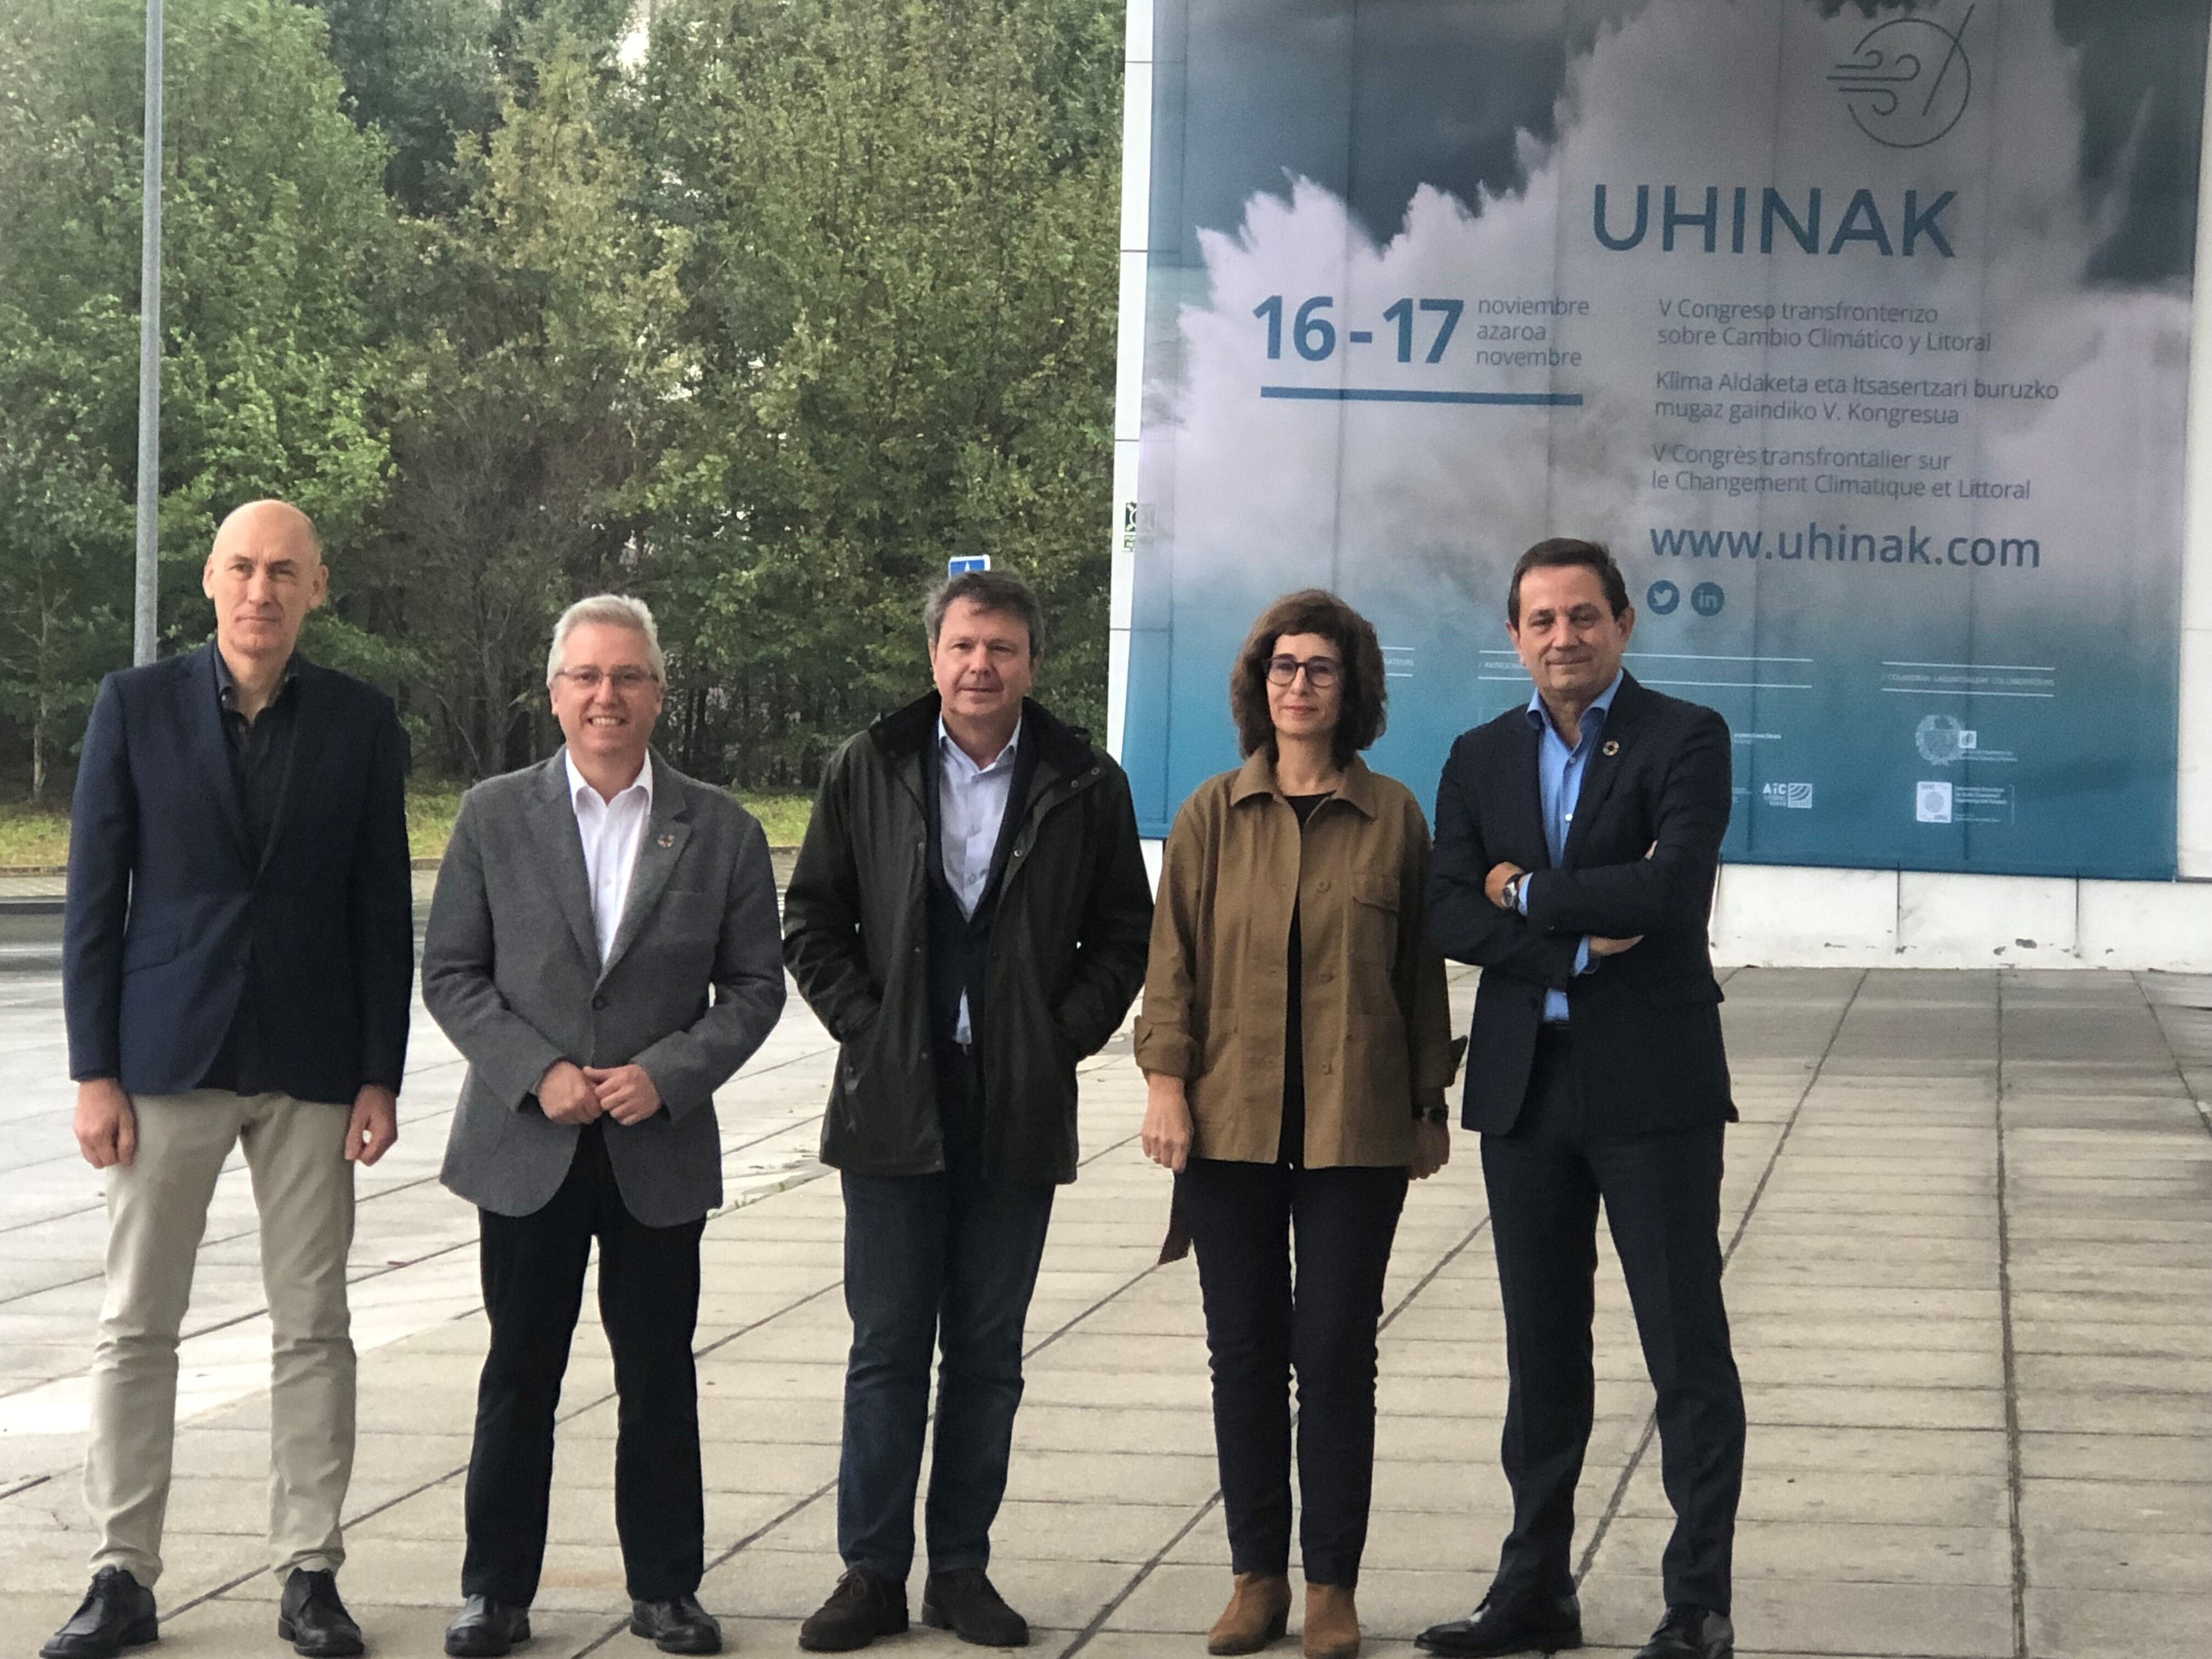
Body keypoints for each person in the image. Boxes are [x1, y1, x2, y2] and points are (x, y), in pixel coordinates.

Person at [49, 501, 413, 1659]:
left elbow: (379, 908)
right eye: (244, 569)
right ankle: (121, 1573)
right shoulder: (133, 707)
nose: (262, 591)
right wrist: (93, 1070)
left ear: (317, 589)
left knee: (315, 1325)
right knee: (135, 1324)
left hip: (312, 1065)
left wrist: (379, 1073)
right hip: (166, 1059)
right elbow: (92, 901)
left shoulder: (361, 722)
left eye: (286, 573)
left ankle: (310, 1570)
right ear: (210, 581)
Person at [782, 567, 1153, 1652]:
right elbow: (812, 920)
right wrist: (871, 1026)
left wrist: (1055, 1035)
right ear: (933, 658)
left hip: (1015, 1109)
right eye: (962, 647)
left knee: (987, 1354)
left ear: (1033, 662)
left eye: (1001, 648)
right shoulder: (873, 765)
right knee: (887, 1349)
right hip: (893, 1106)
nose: (980, 665)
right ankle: (870, 1572)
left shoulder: (1086, 781)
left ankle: (961, 1569)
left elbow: (1124, 935)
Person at [422, 595, 786, 1659]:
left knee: (659, 1378)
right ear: (553, 694)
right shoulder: (495, 817)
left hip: (655, 1151)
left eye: (627, 677)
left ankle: (667, 1590)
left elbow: (757, 988)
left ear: (659, 694)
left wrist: (666, 1075)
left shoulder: (719, 829)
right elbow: (450, 973)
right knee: (518, 1376)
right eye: (585, 677)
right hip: (524, 1146)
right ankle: (495, 1593)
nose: (605, 696)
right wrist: (536, 1074)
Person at [1415, 539, 1743, 1659]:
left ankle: (1696, 1601)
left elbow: (1671, 887)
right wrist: (1576, 948)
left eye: (1584, 616)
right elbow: (1448, 907)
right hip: (1525, 1091)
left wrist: (1533, 889)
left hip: (1653, 1092)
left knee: (1683, 1350)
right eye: (1542, 620)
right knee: (1542, 1354)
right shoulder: (1475, 758)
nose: (1565, 637)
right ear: (1514, 635)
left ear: (1622, 623)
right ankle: (1534, 1590)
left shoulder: (1685, 738)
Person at [1135, 590, 1460, 1659]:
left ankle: (1332, 1588)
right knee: (1244, 1355)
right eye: (1283, 666)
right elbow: (1170, 963)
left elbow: (1419, 977)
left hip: (1354, 1134)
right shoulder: (1209, 816)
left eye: (1320, 667)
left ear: (1350, 687)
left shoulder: (1396, 818)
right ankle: (1255, 1579)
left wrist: (1426, 1103)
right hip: (1227, 1130)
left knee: (1333, 1355)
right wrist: (1166, 1084)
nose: (1299, 683)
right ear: (1257, 684)